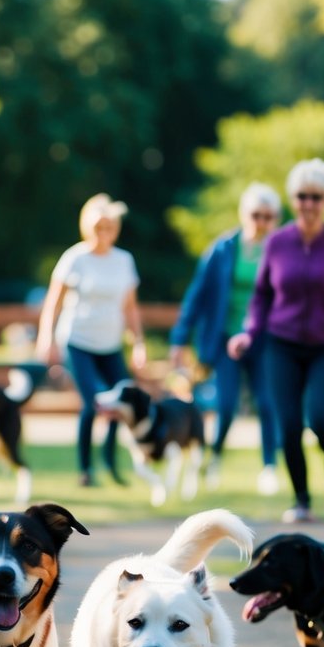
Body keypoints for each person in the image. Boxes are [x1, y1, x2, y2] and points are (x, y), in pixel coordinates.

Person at [228, 158, 324, 523]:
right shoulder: (277, 244)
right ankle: (302, 499)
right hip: (282, 343)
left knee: (321, 418)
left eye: (316, 196)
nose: (308, 203)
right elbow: (261, 295)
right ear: (293, 200)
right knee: (289, 424)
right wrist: (249, 331)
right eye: (301, 196)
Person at [170, 182, 282, 495]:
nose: (261, 222)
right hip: (225, 339)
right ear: (244, 214)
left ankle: (269, 466)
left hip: (265, 340)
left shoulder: (282, 249)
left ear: (276, 218)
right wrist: (179, 338)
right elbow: (196, 295)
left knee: (266, 402)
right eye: (255, 215)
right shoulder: (222, 249)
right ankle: (215, 454)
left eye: (268, 216)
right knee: (228, 403)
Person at [36, 193, 146, 487]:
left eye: (109, 226)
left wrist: (138, 343)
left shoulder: (124, 261)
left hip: (110, 343)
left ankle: (110, 463)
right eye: (98, 226)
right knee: (92, 402)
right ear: (87, 226)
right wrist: (47, 339)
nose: (104, 232)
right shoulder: (75, 258)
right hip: (78, 339)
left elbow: (130, 307)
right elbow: (53, 303)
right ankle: (86, 469)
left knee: (118, 401)